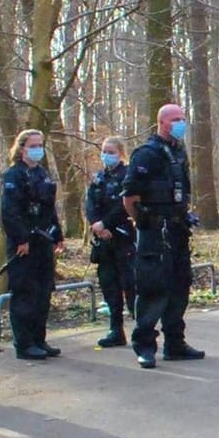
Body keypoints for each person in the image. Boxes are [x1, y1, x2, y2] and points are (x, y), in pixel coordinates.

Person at [125, 104, 203, 367]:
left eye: (183, 118)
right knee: (152, 289)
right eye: (175, 119)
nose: (181, 123)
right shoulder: (146, 155)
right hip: (153, 233)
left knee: (180, 286)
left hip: (178, 231)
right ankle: (145, 346)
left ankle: (175, 343)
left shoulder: (179, 153)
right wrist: (144, 223)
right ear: (161, 122)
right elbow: (130, 197)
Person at [1, 129, 66, 360]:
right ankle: (24, 344)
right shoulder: (13, 175)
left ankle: (39, 340)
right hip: (24, 242)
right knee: (25, 293)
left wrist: (57, 234)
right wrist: (21, 239)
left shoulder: (42, 174)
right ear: (21, 149)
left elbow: (49, 208)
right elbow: (9, 212)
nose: (38, 149)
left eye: (40, 145)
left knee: (43, 292)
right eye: (33, 145)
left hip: (43, 241)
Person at [85, 137, 137, 347]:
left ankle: (140, 328)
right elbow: (90, 203)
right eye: (104, 151)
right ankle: (115, 329)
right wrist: (97, 224)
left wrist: (106, 223)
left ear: (121, 153)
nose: (107, 154)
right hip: (103, 241)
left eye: (111, 151)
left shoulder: (127, 176)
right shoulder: (99, 178)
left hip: (123, 237)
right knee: (108, 283)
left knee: (130, 283)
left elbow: (125, 205)